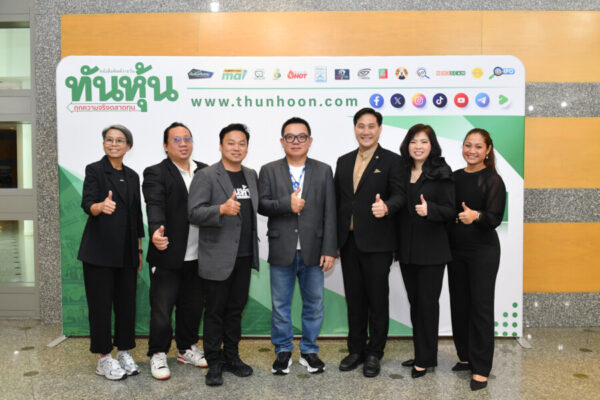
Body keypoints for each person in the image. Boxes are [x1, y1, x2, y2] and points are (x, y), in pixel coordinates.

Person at [258, 117, 337, 375]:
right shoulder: (269, 170)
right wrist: (286, 204)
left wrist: (330, 249)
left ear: (310, 141)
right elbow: (262, 205)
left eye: (301, 137)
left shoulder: (323, 170)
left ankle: (309, 351)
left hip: (314, 250)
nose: (296, 141)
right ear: (282, 141)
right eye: (290, 137)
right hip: (282, 248)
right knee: (281, 305)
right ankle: (283, 350)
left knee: (314, 304)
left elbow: (330, 212)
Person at [334, 108, 405, 377]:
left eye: (371, 126)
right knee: (354, 299)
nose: (366, 131)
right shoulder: (343, 161)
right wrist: (334, 241)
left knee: (377, 300)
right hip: (349, 242)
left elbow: (400, 195)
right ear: (355, 129)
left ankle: (374, 352)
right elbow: (339, 202)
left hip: (378, 243)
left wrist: (386, 207)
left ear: (380, 129)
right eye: (361, 126)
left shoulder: (392, 161)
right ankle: (355, 350)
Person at [188, 123, 259, 386]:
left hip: (244, 256)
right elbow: (193, 213)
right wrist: (220, 209)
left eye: (242, 143)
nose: (236, 148)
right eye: (231, 143)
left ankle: (232, 357)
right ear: (220, 146)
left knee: (235, 310)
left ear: (247, 148)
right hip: (217, 257)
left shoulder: (251, 174)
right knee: (215, 312)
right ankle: (214, 363)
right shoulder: (206, 175)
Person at [77, 124, 144, 380]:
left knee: (126, 305)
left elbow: (136, 215)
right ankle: (104, 358)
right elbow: (87, 204)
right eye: (109, 139)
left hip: (127, 251)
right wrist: (100, 206)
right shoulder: (95, 170)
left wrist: (138, 249)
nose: (113, 144)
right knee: (101, 307)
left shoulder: (133, 176)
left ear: (128, 146)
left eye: (119, 140)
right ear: (104, 143)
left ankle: (124, 351)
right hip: (99, 251)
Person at [142, 122, 208, 380]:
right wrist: (156, 231)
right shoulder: (156, 172)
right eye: (177, 139)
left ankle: (186, 348)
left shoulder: (205, 171)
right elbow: (154, 204)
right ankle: (158, 353)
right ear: (166, 146)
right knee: (162, 309)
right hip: (167, 253)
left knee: (192, 307)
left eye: (187, 139)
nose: (183, 144)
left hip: (199, 255)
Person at [448, 128, 506, 391]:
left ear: (488, 150)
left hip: (483, 252)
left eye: (478, 146)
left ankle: (481, 368)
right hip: (455, 251)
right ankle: (465, 357)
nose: (471, 151)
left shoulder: (492, 180)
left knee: (480, 308)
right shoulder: (455, 177)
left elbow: (494, 218)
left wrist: (477, 216)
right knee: (460, 305)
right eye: (468, 145)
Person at [396, 124, 455, 378]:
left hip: (432, 250)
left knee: (427, 305)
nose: (418, 146)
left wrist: (431, 210)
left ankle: (425, 358)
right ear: (407, 145)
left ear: (432, 146)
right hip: (407, 250)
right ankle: (422, 352)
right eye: (413, 141)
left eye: (424, 141)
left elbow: (451, 210)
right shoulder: (401, 170)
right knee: (415, 304)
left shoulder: (441, 171)